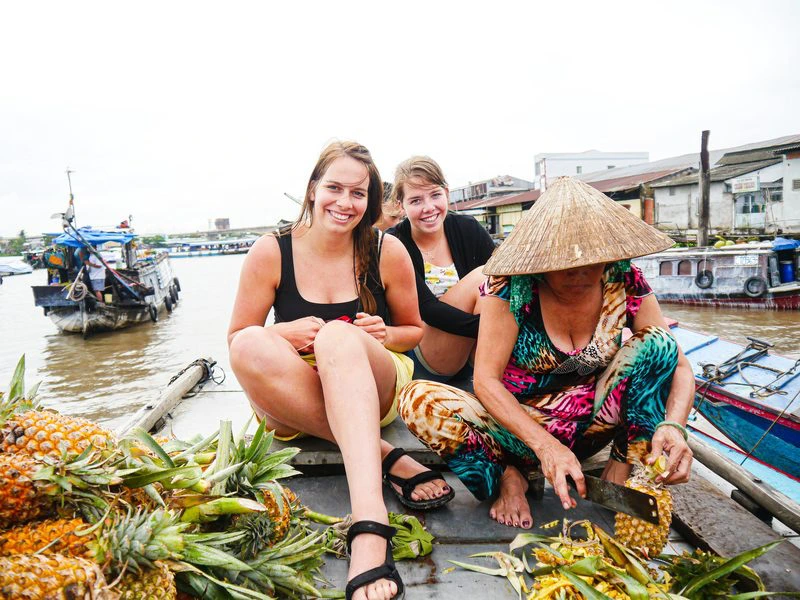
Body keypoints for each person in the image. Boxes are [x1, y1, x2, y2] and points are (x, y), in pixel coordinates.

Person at [399, 177, 695, 530]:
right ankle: (508, 475)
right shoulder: (510, 287)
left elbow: (678, 366)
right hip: (516, 430)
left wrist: (674, 427)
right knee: (418, 399)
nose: (580, 273)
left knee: (658, 343)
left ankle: (621, 468)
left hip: (589, 424)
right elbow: (486, 382)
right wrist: (545, 447)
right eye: (565, 265)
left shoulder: (624, 278)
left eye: (593, 261)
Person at [227, 141, 453, 600]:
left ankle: (370, 526)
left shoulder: (386, 250)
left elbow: (416, 329)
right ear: (312, 189)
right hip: (295, 396)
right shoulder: (271, 252)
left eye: (359, 193)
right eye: (334, 188)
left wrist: (384, 333)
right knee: (253, 341)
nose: (345, 203)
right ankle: (387, 454)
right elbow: (236, 338)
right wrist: (282, 332)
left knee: (336, 335)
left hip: (369, 382)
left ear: (371, 202)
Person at [386, 156, 495, 382]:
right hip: (424, 353)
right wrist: (493, 330)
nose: (429, 208)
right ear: (401, 205)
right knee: (483, 276)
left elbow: (505, 284)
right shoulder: (394, 243)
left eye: (435, 195)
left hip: (474, 348)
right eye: (416, 201)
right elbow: (426, 309)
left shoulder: (468, 229)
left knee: (495, 281)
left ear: (446, 193)